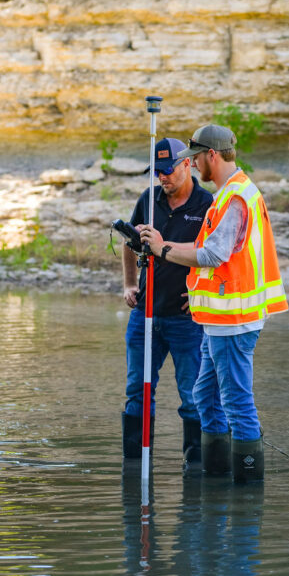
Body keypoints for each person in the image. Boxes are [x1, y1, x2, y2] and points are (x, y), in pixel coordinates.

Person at [139, 123, 288, 483]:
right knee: (205, 397)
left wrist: (163, 250)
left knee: (237, 403)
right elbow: (219, 257)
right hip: (218, 321)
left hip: (234, 322)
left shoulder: (237, 197)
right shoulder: (226, 194)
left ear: (212, 156)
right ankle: (217, 478)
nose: (194, 166)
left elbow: (215, 254)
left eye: (196, 158)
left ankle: (247, 492)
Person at [121, 136, 213, 467]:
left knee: (192, 398)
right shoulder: (149, 199)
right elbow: (129, 243)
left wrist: (205, 290)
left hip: (188, 321)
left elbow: (219, 256)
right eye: (157, 172)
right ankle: (134, 466)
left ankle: (195, 468)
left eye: (168, 170)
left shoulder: (208, 205)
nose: (163, 177)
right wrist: (130, 283)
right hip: (144, 316)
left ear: (187, 164)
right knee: (137, 394)